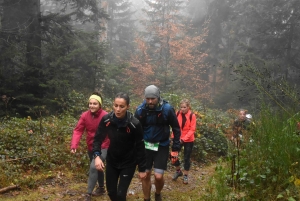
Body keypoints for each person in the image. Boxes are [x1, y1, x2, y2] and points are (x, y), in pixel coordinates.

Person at [93, 92, 147, 201]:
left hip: (128, 163)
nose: (118, 109)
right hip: (112, 161)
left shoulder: (134, 124)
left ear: (127, 107)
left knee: (121, 195)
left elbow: (140, 146)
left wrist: (142, 169)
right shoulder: (107, 120)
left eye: (122, 106)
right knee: (111, 193)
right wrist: (97, 156)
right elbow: (98, 138)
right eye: (115, 105)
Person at [134, 85, 181, 201]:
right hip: (145, 145)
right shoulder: (140, 110)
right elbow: (135, 129)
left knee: (158, 176)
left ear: (158, 97)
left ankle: (158, 193)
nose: (150, 101)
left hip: (162, 145)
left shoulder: (167, 109)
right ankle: (146, 198)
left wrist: (175, 149)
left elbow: (176, 128)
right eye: (147, 98)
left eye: (153, 99)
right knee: (145, 174)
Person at [70, 92, 110, 201]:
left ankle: (88, 194)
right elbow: (78, 130)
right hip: (91, 146)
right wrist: (74, 145)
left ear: (100, 105)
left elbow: (112, 131)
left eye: (95, 104)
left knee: (94, 167)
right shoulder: (85, 116)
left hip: (104, 146)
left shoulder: (106, 116)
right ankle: (101, 188)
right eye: (90, 103)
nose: (92, 106)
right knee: (98, 167)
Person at [171, 99, 196, 184]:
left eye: (184, 107)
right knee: (173, 155)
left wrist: (184, 139)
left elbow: (192, 129)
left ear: (188, 107)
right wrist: (173, 137)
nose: (182, 109)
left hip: (189, 139)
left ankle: (185, 176)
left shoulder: (192, 115)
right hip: (178, 138)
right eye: (181, 107)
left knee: (186, 157)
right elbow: (175, 126)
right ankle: (178, 171)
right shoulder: (177, 113)